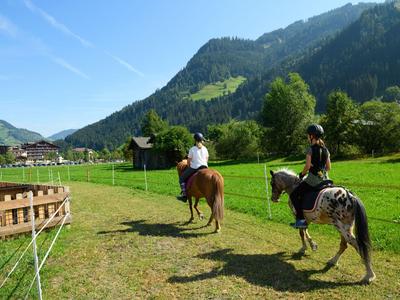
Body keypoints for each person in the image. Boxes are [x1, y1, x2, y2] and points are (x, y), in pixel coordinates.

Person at [290, 124, 331, 229]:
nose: (307, 137)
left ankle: (300, 220)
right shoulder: (326, 150)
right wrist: (319, 170)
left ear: (312, 136)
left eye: (308, 135)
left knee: (294, 195)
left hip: (313, 180)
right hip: (325, 179)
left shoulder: (310, 149)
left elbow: (307, 166)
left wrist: (302, 174)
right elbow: (328, 167)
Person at [176, 132, 209, 202]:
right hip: (205, 167)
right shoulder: (205, 149)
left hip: (195, 168)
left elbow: (188, 161)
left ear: (195, 140)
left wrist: (189, 166)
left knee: (181, 178)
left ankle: (184, 195)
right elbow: (207, 159)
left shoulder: (192, 149)